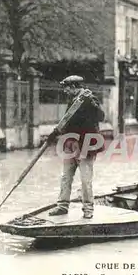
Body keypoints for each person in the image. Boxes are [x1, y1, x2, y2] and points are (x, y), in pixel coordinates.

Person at [47, 75, 105, 219]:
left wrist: (92, 104)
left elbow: (101, 117)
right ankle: (62, 206)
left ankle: (88, 209)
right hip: (70, 144)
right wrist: (55, 134)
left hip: (86, 145)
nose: (65, 91)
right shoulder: (72, 101)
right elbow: (66, 120)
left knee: (85, 179)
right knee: (66, 176)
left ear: (73, 87)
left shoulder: (89, 99)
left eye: (66, 88)